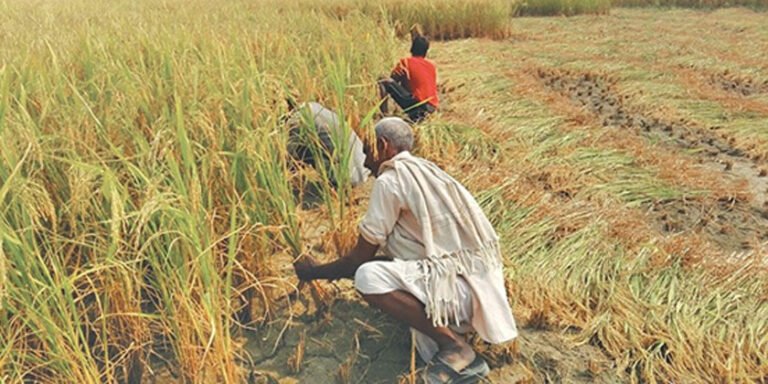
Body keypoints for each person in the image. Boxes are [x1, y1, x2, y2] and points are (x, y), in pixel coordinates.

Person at [293, 117, 517, 383]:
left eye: (367, 151)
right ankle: (461, 348)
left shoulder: (391, 181)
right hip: (483, 294)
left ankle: (455, 347)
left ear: (383, 146)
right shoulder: (430, 171)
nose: (365, 162)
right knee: (388, 269)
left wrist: (312, 272)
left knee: (369, 276)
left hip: (458, 297)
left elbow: (359, 260)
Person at [284, 101, 370, 188]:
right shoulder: (316, 107)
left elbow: (289, 159)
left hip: (347, 178)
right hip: (364, 168)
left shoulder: (297, 119)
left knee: (301, 148)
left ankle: (335, 184)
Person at [379, 34, 439, 123]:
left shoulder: (405, 62)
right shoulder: (431, 66)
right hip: (432, 109)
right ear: (425, 51)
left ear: (412, 48)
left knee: (384, 80)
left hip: (419, 107)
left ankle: (385, 116)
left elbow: (392, 81)